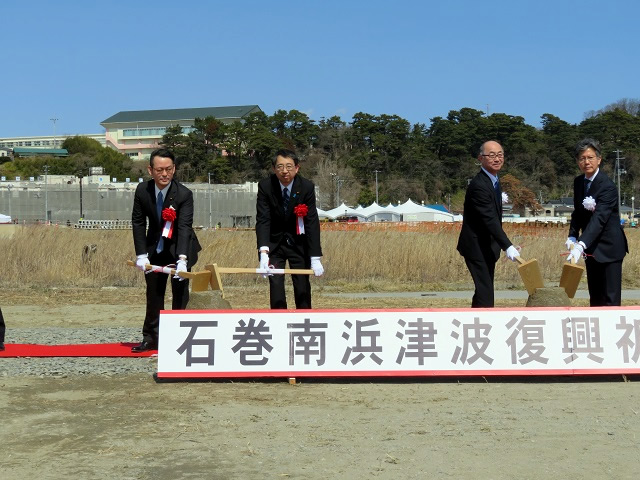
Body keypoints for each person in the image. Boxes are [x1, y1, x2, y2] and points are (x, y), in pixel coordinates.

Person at [131, 148, 201, 352]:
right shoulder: (142, 190)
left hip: (180, 248)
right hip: (154, 247)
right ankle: (151, 337)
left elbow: (184, 227)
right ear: (150, 170)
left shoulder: (184, 194)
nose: (164, 174)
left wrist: (182, 259)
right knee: (154, 293)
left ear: (174, 169)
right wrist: (141, 254)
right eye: (159, 170)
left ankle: (179, 338)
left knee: (180, 294)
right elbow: (138, 222)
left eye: (168, 169)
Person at [256, 149, 324, 309]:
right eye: (280, 166)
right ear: (274, 169)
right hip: (274, 243)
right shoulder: (266, 186)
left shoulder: (306, 187)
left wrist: (315, 257)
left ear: (297, 168)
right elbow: (263, 219)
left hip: (298, 243)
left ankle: (304, 317)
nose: (284, 171)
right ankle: (279, 317)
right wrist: (263, 253)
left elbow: (312, 222)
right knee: (275, 283)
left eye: (289, 166)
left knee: (302, 284)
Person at [457, 140, 521, 307]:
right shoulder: (479, 185)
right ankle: (483, 321)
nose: (497, 159)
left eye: (500, 155)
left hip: (487, 247)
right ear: (481, 158)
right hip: (476, 246)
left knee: (483, 292)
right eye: (491, 155)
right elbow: (489, 219)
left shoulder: (494, 180)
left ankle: (475, 320)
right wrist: (508, 246)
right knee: (486, 294)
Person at [566, 138, 628, 306]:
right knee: (595, 299)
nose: (586, 162)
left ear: (599, 159)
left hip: (609, 248)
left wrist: (581, 244)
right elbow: (578, 212)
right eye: (582, 158)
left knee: (610, 301)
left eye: (590, 157)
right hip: (591, 249)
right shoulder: (579, 182)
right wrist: (572, 236)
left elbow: (599, 219)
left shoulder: (607, 186)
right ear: (578, 161)